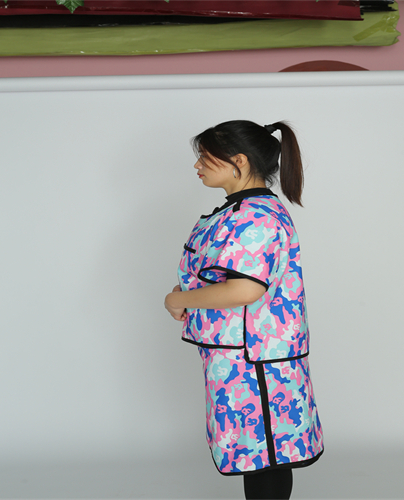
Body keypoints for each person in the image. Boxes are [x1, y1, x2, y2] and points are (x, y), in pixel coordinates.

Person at [164, 120, 323, 500]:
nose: (197, 165)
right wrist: (188, 290)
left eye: (205, 157)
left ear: (239, 160)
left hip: (257, 361)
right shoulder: (239, 211)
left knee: (266, 455)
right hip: (244, 357)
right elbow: (222, 275)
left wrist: (177, 300)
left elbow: (245, 289)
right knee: (259, 454)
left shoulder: (255, 216)